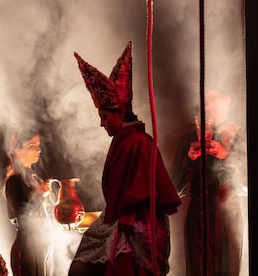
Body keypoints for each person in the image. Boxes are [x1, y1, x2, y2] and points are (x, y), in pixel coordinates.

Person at [68, 41, 182, 276]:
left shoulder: (138, 143)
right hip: (120, 220)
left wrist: (119, 220)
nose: (102, 123)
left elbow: (140, 196)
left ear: (120, 112)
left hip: (136, 227)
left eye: (105, 116)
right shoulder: (123, 140)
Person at [170, 89, 247, 276]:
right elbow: (173, 191)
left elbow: (246, 186)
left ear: (227, 100)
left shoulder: (239, 135)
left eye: (213, 99)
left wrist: (225, 156)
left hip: (227, 212)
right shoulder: (189, 139)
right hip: (197, 212)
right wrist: (188, 160)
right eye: (204, 102)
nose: (207, 106)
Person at [3, 132, 56, 276]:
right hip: (28, 246)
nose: (38, 150)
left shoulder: (35, 179)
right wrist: (41, 194)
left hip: (43, 244)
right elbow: (24, 218)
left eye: (38, 146)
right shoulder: (14, 181)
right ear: (17, 151)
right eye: (32, 146)